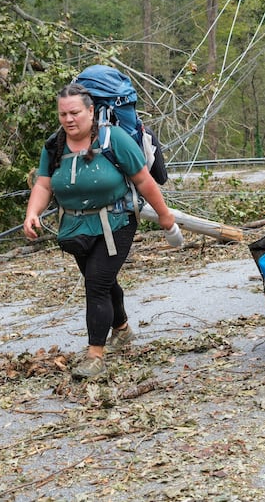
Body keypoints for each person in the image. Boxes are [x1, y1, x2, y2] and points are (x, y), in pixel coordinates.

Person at [24, 83, 176, 380]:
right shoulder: (54, 145)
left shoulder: (113, 139)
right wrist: (33, 213)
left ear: (91, 111)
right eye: (63, 114)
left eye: (76, 113)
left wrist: (165, 216)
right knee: (102, 281)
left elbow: (143, 180)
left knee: (96, 282)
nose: (69, 119)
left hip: (116, 221)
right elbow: (43, 184)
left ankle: (95, 356)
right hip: (76, 226)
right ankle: (121, 329)